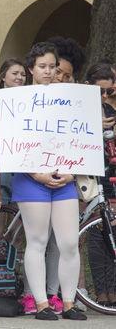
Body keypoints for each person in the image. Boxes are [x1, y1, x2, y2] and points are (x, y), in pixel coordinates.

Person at [12, 42, 85, 321]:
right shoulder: (16, 100)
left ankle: (68, 303)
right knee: (38, 240)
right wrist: (36, 174)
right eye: (42, 66)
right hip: (31, 180)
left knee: (68, 242)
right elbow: (11, 144)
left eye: (52, 66)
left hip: (65, 177)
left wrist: (73, 172)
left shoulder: (72, 99)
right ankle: (42, 303)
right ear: (31, 68)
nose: (48, 71)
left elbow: (82, 138)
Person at [85, 62, 116, 307]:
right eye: (100, 92)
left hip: (112, 172)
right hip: (89, 176)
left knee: (112, 231)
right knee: (96, 233)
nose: (105, 97)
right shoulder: (79, 109)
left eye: (109, 92)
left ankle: (113, 290)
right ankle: (100, 291)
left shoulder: (109, 109)